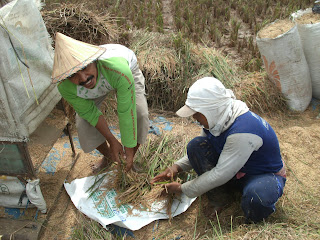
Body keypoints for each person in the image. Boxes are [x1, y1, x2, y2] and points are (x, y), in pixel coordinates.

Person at [151, 77, 286, 223]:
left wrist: (182, 189)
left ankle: (252, 219)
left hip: (261, 175)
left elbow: (220, 174)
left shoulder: (243, 131)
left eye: (197, 113)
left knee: (258, 196)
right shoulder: (220, 118)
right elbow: (205, 146)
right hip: (234, 170)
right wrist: (176, 167)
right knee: (196, 145)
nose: (194, 118)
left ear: (211, 110)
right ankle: (222, 197)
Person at [51, 32, 149, 172]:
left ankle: (129, 157)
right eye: (73, 75)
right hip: (100, 80)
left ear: (94, 61)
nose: (84, 78)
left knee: (139, 113)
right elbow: (90, 113)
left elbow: (126, 112)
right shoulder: (65, 87)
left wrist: (128, 149)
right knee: (83, 123)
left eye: (85, 68)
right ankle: (110, 157)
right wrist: (112, 141)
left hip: (119, 74)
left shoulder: (119, 70)